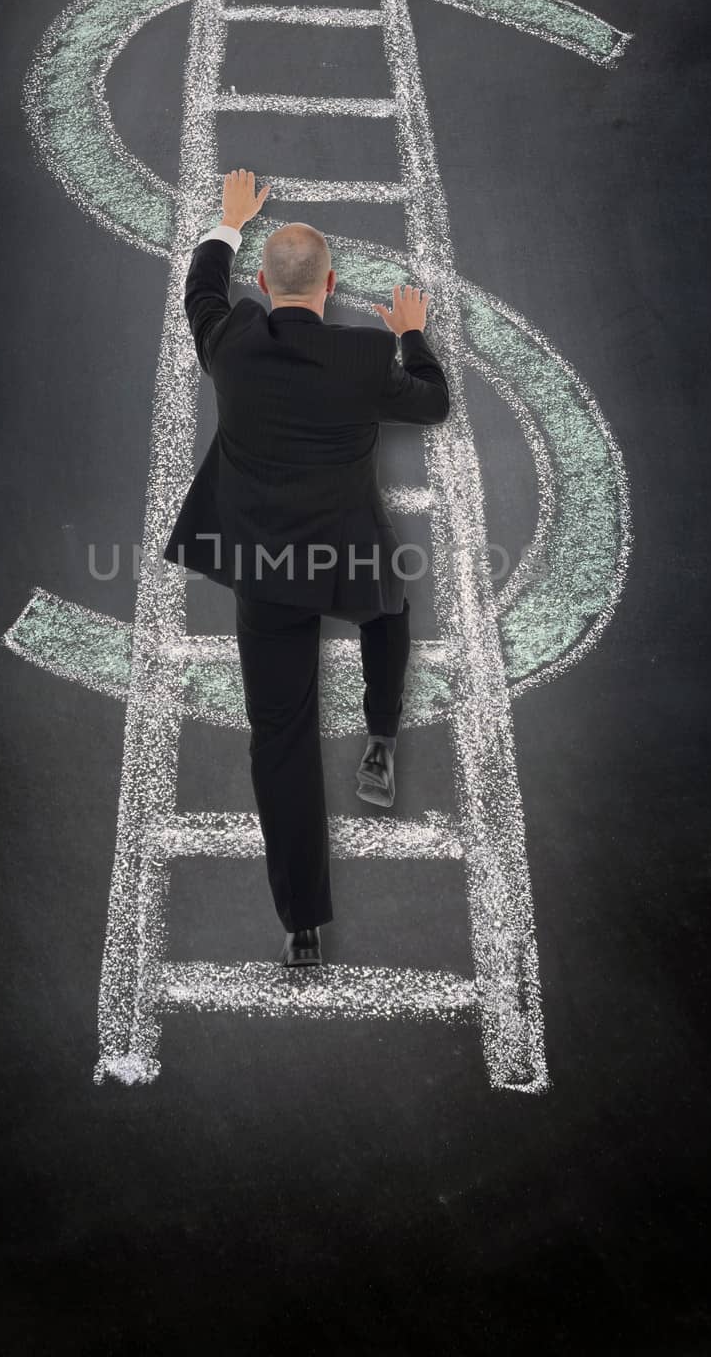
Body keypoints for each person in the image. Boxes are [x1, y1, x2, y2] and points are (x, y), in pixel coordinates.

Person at [163, 169, 451, 967]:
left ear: (264, 283)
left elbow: (201, 290)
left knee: (279, 739)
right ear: (331, 285)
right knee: (389, 612)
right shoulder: (362, 355)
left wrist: (227, 223)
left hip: (265, 571)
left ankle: (300, 924)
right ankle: (380, 732)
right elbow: (432, 402)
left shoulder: (232, 342)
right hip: (348, 553)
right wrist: (411, 335)